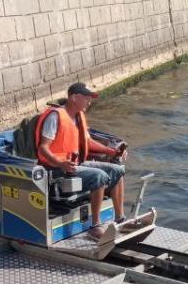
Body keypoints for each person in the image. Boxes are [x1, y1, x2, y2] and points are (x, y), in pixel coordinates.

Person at [34, 82, 127, 238]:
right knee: (99, 176)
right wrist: (60, 163)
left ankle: (120, 218)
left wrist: (112, 151)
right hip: (57, 169)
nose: (89, 102)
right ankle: (95, 226)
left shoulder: (79, 117)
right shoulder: (55, 116)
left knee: (117, 170)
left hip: (75, 164)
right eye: (86, 98)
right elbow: (43, 148)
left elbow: (88, 142)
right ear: (74, 97)